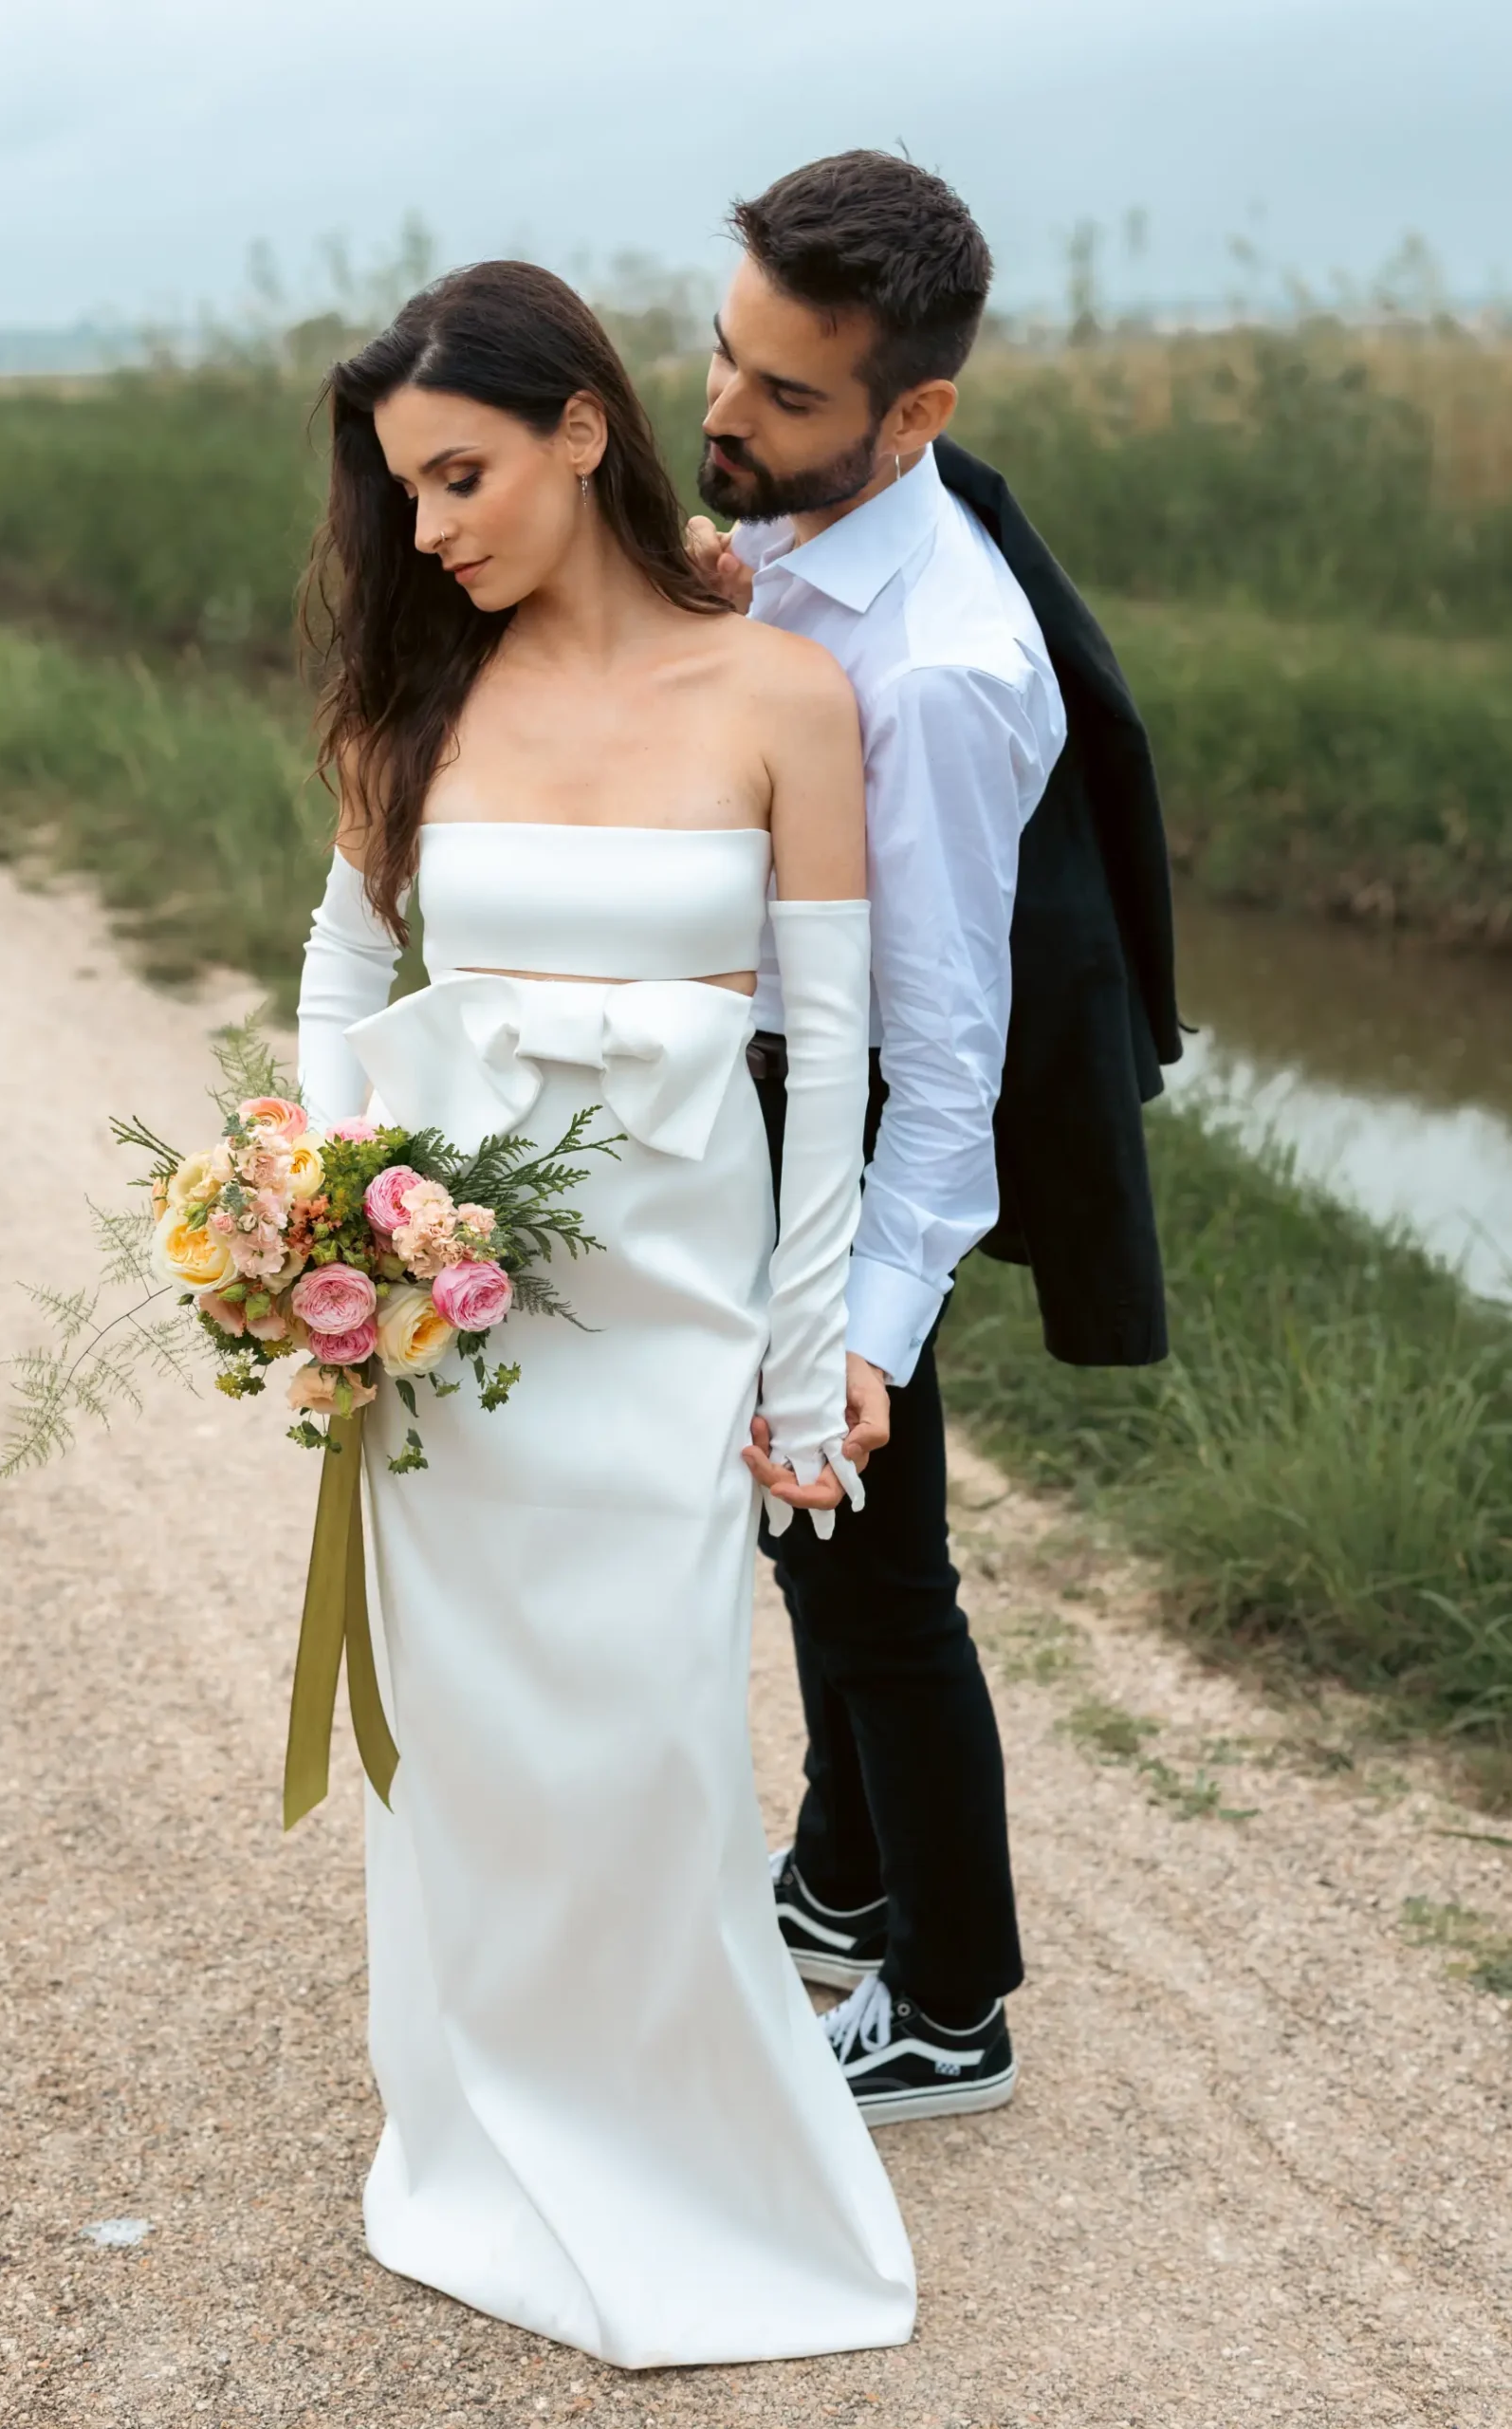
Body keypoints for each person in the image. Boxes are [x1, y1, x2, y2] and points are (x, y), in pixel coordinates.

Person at [293, 260, 915, 2367]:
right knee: (470, 1753)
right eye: (403, 493)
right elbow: (338, 974)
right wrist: (331, 1219)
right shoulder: (420, 698)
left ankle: (684, 2149)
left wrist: (801, 1358)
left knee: (651, 1749)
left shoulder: (780, 695)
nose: (428, 528)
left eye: (458, 475)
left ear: (581, 426)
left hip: (667, 1314)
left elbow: (833, 1054)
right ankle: (483, 2126)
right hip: (455, 1328)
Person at [689, 152, 1075, 2120]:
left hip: (841, 1129)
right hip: (763, 1097)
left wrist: (868, 1322)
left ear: (913, 414)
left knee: (871, 1568)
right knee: (813, 1543)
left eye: (783, 394)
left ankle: (948, 2003)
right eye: (723, 355)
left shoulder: (933, 670)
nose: (722, 412)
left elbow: (945, 1056)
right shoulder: (791, 534)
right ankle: (841, 1880)